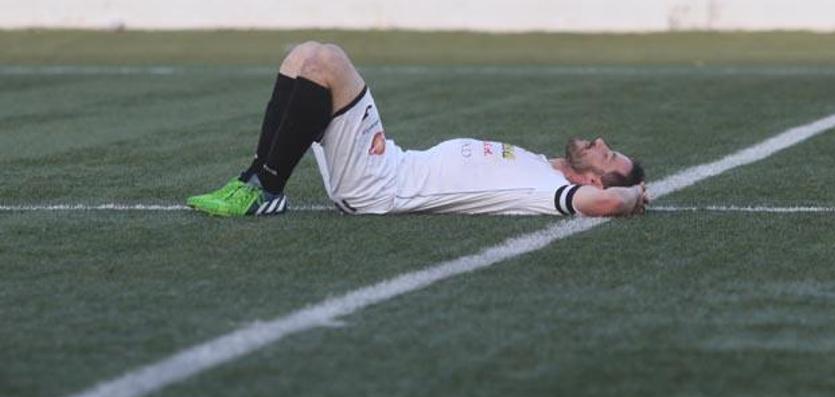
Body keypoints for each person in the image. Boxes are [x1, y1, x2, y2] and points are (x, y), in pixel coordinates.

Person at [187, 42, 649, 217]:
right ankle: (253, 179)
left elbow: (608, 200)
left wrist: (635, 195)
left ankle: (266, 190)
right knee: (302, 55)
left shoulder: (548, 191)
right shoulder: (547, 166)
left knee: (327, 62)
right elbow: (592, 179)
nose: (602, 144)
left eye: (608, 157)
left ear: (590, 180)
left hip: (378, 187)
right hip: (388, 163)